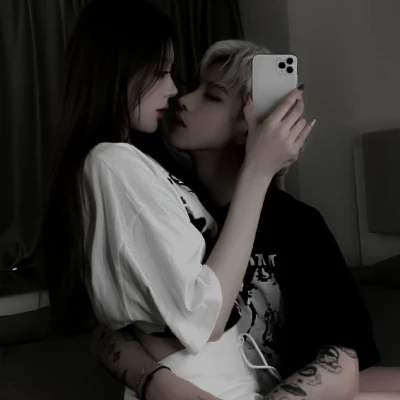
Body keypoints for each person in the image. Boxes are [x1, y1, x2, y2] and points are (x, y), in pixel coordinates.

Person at [93, 39, 400, 400]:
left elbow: (346, 360)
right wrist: (154, 380)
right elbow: (112, 323)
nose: (184, 99)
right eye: (193, 87)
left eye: (212, 96)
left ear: (250, 125)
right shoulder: (166, 202)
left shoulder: (298, 225)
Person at [43, 2, 317, 400]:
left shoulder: (145, 167)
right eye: (160, 72)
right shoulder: (112, 163)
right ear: (117, 71)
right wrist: (257, 172)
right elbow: (203, 317)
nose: (175, 91)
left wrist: (269, 169)